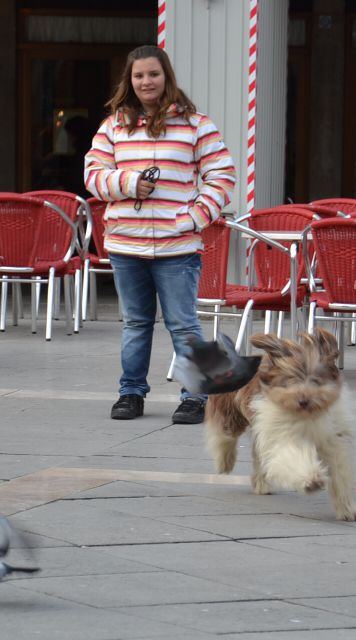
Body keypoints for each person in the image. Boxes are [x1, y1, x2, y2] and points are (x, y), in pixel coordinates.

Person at [84, 45, 236, 423]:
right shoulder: (113, 126)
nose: (146, 81)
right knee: (135, 324)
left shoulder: (196, 124)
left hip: (177, 244)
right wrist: (130, 182)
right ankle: (130, 394)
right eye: (138, 76)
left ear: (166, 76)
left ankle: (197, 397)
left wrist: (195, 217)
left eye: (153, 74)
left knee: (184, 324)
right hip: (125, 243)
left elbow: (222, 176)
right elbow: (92, 176)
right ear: (129, 80)